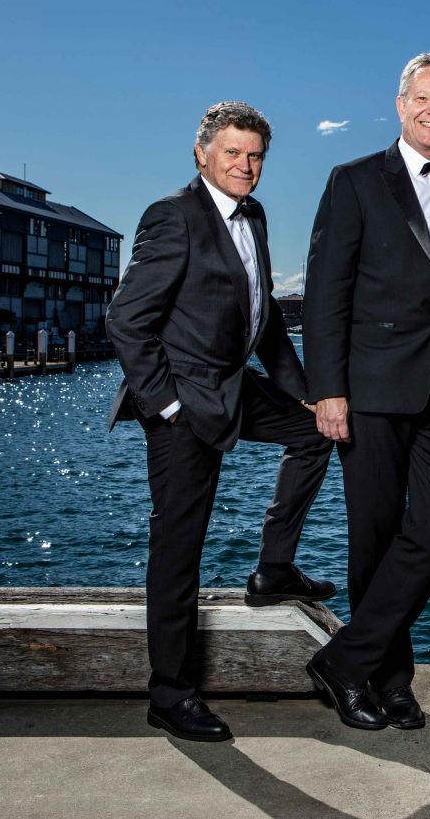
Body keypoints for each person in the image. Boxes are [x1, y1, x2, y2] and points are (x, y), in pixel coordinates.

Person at [107, 102, 337, 742]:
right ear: (202, 154)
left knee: (317, 432)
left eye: (255, 155)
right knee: (178, 548)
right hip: (182, 401)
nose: (246, 166)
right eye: (233, 153)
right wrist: (169, 406)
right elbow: (127, 321)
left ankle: (273, 569)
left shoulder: (254, 216)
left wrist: (306, 397)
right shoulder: (172, 216)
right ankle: (171, 694)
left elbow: (264, 324)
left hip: (235, 385)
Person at [302, 53, 430, 730]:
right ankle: (391, 682)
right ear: (400, 103)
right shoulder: (353, 180)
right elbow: (327, 291)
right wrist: (327, 388)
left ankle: (345, 659)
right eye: (422, 98)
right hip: (370, 384)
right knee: (375, 537)